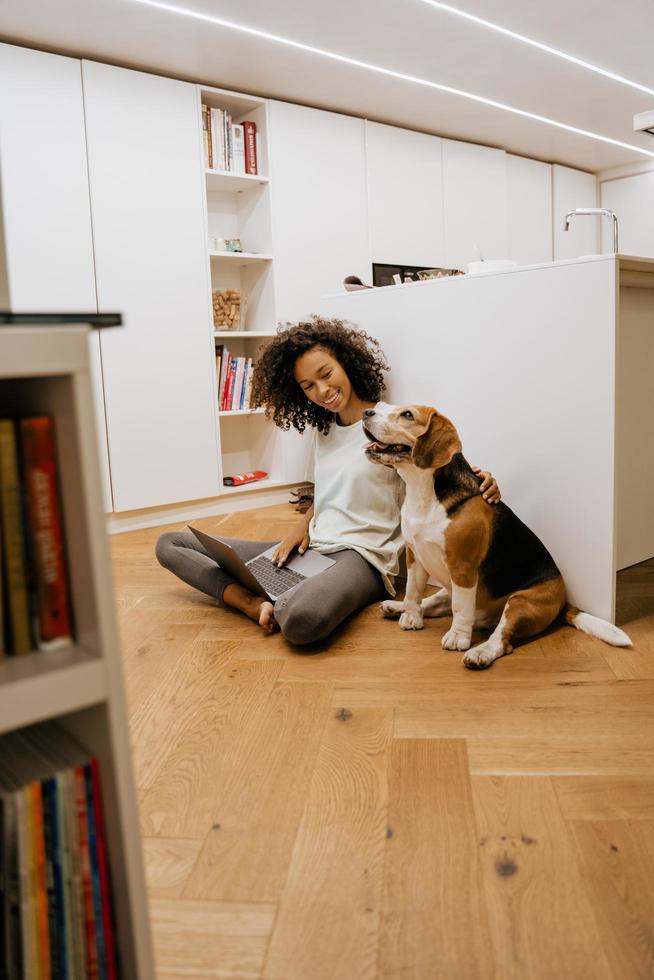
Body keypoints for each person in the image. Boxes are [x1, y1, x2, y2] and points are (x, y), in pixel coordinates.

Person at [155, 317, 500, 646]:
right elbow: (329, 492)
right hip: (314, 546)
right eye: (308, 386)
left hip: (363, 557)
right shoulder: (325, 430)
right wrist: (302, 526)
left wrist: (482, 481)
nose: (322, 390)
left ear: (347, 362)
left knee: (301, 620)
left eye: (326, 374)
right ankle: (249, 602)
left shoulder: (390, 422)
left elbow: (439, 462)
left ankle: (274, 590)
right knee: (170, 544)